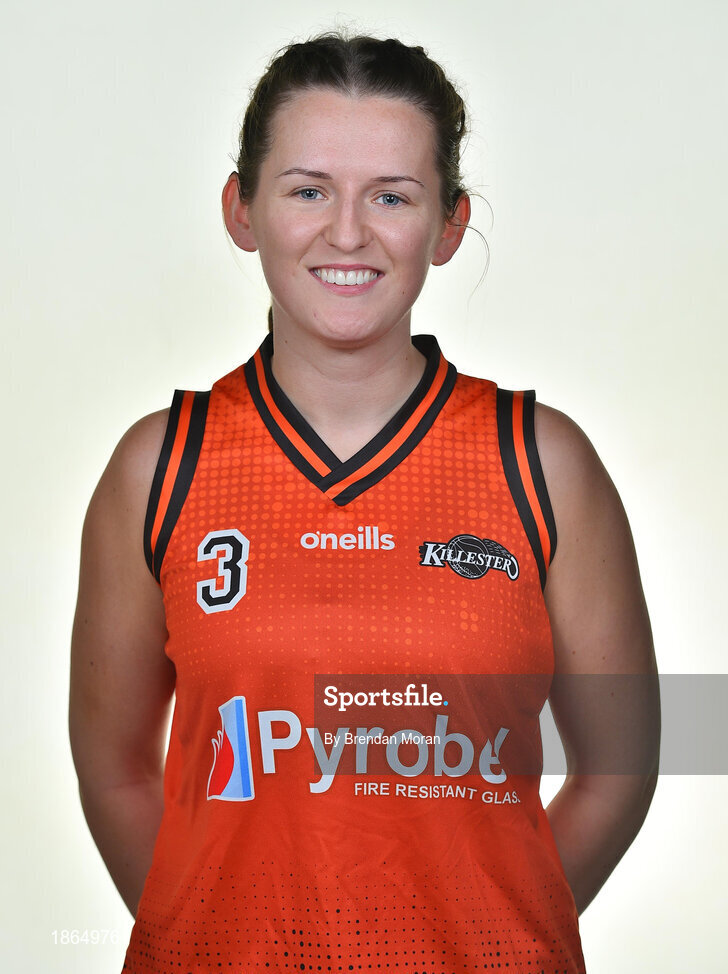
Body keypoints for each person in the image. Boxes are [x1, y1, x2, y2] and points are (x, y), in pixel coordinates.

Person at [69, 31, 660, 974]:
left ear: (450, 224)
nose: (348, 233)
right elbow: (116, 769)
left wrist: (488, 935)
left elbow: (620, 770)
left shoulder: (543, 464)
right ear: (242, 210)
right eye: (309, 190)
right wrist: (219, 941)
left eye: (392, 196)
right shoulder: (161, 465)